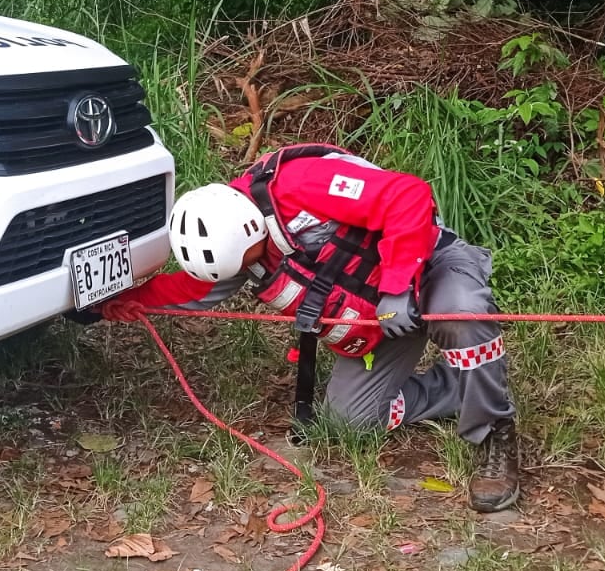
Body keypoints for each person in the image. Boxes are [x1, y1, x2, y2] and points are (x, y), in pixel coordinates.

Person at [85, 143, 521, 512]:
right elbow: (192, 287)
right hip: (375, 314)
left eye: (251, 257)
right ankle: (462, 387)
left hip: (428, 267)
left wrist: (397, 286)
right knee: (349, 421)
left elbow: (407, 194)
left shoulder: (300, 184)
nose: (251, 267)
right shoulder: (236, 245)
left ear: (251, 227)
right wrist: (124, 302)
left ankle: (494, 431)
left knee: (460, 314)